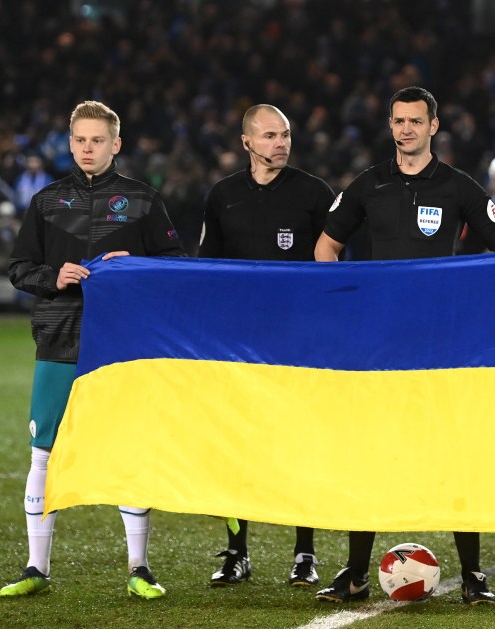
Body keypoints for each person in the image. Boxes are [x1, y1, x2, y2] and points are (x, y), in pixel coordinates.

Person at [314, 86, 495, 605]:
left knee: (453, 454)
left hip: (440, 347)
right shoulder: (368, 184)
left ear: (434, 126)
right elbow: (325, 248)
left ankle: (473, 576)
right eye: (399, 121)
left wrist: (471, 307)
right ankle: (355, 575)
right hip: (378, 348)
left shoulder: (458, 187)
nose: (407, 129)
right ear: (391, 125)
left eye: (416, 121)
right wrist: (350, 307)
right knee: (371, 455)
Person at [3, 100, 185, 599]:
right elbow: (19, 268)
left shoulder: (143, 200)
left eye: (98, 140)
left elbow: (176, 265)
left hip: (123, 344)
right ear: (70, 143)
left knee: (130, 449)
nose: (88, 148)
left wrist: (138, 264)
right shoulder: (45, 202)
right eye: (80, 140)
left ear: (116, 145)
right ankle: (35, 568)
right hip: (59, 337)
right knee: (44, 452)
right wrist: (53, 276)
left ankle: (139, 568)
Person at [199, 104, 335, 588]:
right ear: (247, 142)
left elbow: (336, 268)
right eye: (271, 135)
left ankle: (305, 553)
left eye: (286, 135)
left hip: (299, 343)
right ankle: (237, 552)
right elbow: (207, 272)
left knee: (299, 443)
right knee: (237, 446)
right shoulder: (223, 196)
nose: (281, 143)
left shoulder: (314, 194)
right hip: (238, 344)